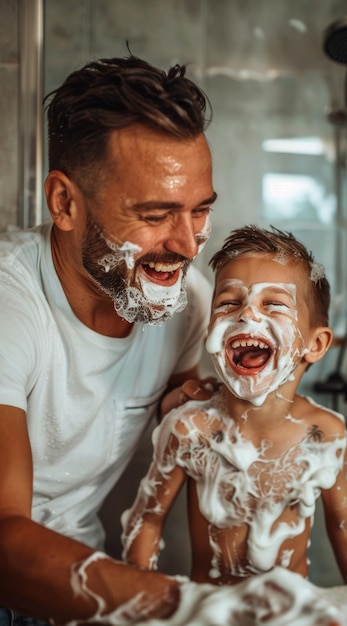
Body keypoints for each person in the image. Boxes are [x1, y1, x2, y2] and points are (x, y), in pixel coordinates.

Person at [0, 53, 218, 625]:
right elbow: (3, 538)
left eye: (199, 212)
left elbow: (184, 424)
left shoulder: (186, 298)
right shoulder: (9, 302)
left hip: (84, 570)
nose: (188, 245)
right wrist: (190, 607)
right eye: (155, 214)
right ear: (64, 202)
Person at [121, 225, 347, 586]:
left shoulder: (324, 434)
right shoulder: (190, 428)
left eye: (273, 304)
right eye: (229, 302)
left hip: (291, 615)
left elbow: (345, 524)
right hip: (212, 613)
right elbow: (147, 520)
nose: (248, 316)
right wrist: (138, 602)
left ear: (315, 345)